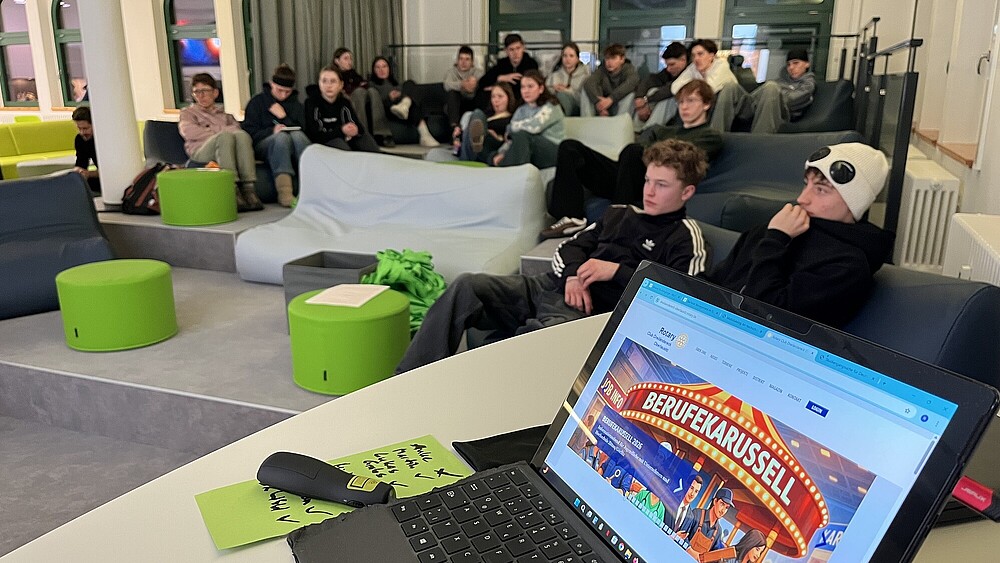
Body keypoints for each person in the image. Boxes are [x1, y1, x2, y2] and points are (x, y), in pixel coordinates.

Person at [395, 139, 710, 373]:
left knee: (535, 338)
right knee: (467, 285)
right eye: (647, 181)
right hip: (548, 286)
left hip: (584, 312)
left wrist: (616, 271)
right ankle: (407, 378)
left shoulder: (686, 235)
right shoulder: (619, 213)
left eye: (662, 185)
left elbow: (685, 295)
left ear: (687, 192)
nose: (649, 192)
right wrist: (574, 275)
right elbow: (568, 248)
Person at [706, 143, 893, 327]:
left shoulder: (848, 265)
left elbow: (767, 315)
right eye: (806, 185)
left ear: (853, 203)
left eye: (820, 190)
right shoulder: (771, 230)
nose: (802, 198)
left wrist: (776, 240)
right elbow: (713, 285)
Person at [543, 79, 723, 238]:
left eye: (691, 101)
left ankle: (618, 219)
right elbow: (649, 151)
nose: (684, 107)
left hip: (650, 182)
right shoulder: (662, 129)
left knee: (632, 150)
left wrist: (654, 151)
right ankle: (572, 217)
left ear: (706, 104)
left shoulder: (709, 136)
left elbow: (683, 161)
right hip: (625, 176)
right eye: (681, 102)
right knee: (570, 147)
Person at [179, 73, 262, 211]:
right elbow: (189, 132)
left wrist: (208, 129)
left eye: (205, 91)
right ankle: (232, 187)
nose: (201, 96)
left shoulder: (225, 115)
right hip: (200, 151)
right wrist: (221, 131)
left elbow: (236, 129)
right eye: (197, 92)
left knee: (242, 135)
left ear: (215, 93)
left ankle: (249, 188)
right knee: (224, 137)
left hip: (226, 149)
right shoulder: (188, 113)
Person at [241, 63, 310, 207]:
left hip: (294, 142)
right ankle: (285, 192)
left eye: (287, 92)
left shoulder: (297, 105)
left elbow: (304, 130)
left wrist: (284, 118)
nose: (283, 95)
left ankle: (311, 186)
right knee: (281, 138)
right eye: (280, 90)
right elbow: (248, 133)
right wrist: (271, 131)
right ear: (272, 84)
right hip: (263, 144)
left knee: (297, 136)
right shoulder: (257, 102)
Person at [491, 69, 564, 169]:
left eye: (530, 86)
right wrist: (503, 152)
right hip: (529, 149)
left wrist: (512, 128)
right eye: (523, 87)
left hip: (552, 150)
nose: (526, 91)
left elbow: (534, 127)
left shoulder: (552, 105)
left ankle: (508, 173)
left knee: (522, 135)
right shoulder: (521, 110)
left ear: (541, 88)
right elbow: (511, 138)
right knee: (493, 148)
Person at [671, 39, 747, 131]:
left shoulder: (721, 66)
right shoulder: (693, 68)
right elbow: (675, 87)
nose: (696, 59)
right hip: (711, 108)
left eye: (700, 54)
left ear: (711, 56)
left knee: (696, 100)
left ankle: (714, 134)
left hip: (734, 108)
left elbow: (708, 91)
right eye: (693, 55)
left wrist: (689, 87)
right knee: (684, 100)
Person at [303, 65, 381, 153]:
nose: (328, 85)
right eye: (324, 81)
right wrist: (341, 130)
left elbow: (357, 125)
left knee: (364, 138)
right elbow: (315, 134)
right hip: (323, 141)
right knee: (341, 146)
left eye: (333, 81)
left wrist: (355, 129)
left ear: (341, 85)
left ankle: (379, 159)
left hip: (344, 137)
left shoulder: (344, 102)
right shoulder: (311, 102)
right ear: (319, 84)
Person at [368, 56, 438, 147]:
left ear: (389, 69)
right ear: (374, 70)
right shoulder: (372, 85)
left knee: (409, 83)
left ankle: (404, 105)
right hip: (389, 109)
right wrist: (389, 97)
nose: (382, 69)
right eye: (378, 67)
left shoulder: (395, 83)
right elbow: (375, 104)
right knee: (410, 104)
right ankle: (425, 135)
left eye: (384, 66)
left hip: (402, 107)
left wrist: (400, 95)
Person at [745, 49, 817, 134]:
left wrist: (775, 93)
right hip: (755, 106)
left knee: (771, 87)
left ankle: (758, 140)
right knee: (730, 88)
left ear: (807, 64)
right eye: (788, 64)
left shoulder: (808, 84)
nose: (791, 67)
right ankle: (724, 139)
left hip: (781, 113)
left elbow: (790, 101)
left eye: (796, 63)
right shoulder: (780, 81)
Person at [332, 47, 393, 146]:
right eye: (346, 58)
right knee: (359, 91)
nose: (350, 61)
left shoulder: (354, 74)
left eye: (351, 59)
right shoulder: (334, 75)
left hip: (361, 98)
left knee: (372, 90)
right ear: (337, 61)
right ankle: (363, 133)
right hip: (346, 100)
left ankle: (382, 134)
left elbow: (364, 84)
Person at [633, 42, 688, 131]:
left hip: (680, 106)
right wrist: (640, 99)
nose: (668, 69)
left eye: (672, 64)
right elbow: (650, 79)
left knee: (667, 98)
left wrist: (646, 100)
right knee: (651, 91)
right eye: (667, 65)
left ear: (683, 59)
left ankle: (649, 131)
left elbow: (671, 88)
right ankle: (636, 131)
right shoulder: (668, 72)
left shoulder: (690, 72)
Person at [476, 33, 539, 110]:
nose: (515, 53)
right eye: (511, 49)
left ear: (523, 48)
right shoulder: (502, 64)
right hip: (503, 100)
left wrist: (499, 87)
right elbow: (482, 82)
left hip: (522, 100)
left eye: (518, 48)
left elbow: (528, 85)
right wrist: (500, 78)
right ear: (506, 51)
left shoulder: (531, 64)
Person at [459, 82, 515, 162]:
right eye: (493, 97)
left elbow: (508, 138)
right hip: (472, 143)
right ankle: (474, 144)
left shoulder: (511, 118)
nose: (496, 100)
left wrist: (498, 137)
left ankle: (475, 144)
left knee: (477, 114)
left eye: (500, 96)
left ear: (508, 98)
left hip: (490, 146)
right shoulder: (486, 115)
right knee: (471, 116)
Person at [581, 43, 639, 117]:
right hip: (603, 107)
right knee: (585, 91)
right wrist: (598, 103)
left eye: (613, 58)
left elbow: (632, 83)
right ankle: (587, 123)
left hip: (619, 105)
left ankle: (620, 125)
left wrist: (611, 99)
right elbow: (589, 83)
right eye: (607, 58)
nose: (609, 62)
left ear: (622, 59)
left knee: (631, 95)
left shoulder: (629, 70)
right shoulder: (602, 70)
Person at [444, 45, 484, 146]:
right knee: (452, 94)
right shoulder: (451, 72)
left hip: (473, 101)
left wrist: (471, 85)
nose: (463, 62)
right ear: (457, 60)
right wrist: (462, 84)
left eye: (467, 59)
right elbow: (447, 85)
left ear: (472, 62)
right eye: (461, 59)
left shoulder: (478, 72)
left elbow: (475, 86)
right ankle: (455, 129)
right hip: (457, 103)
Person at [677, 487, 733, 557]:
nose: (723, 510)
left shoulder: (718, 531)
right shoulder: (697, 514)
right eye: (722, 504)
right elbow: (680, 535)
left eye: (727, 507)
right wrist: (690, 550)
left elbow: (713, 556)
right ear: (715, 501)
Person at [546, 42, 590, 116]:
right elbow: (545, 92)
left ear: (577, 59)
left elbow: (584, 99)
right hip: (555, 106)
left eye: (571, 56)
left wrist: (567, 91)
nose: (567, 59)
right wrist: (554, 89)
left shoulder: (585, 77)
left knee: (562, 96)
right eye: (565, 56)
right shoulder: (554, 75)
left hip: (577, 109)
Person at [71, 106, 100, 193]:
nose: (82, 133)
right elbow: (81, 163)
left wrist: (89, 174)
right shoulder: (80, 139)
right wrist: (78, 171)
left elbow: (110, 170)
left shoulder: (102, 139)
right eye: (79, 129)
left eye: (85, 128)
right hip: (99, 176)